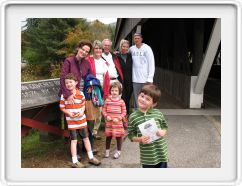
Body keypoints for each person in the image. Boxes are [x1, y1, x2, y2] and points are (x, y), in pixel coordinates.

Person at [59, 73, 101, 168]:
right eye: (67, 83)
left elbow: (83, 105)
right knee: (74, 140)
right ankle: (75, 160)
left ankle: (91, 157)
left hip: (82, 120)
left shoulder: (81, 94)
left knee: (86, 138)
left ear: (76, 83)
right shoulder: (63, 96)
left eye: (70, 82)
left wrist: (82, 112)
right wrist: (69, 113)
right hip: (72, 122)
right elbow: (62, 107)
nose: (69, 84)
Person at [128, 84, 168, 168]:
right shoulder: (133, 117)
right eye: (142, 96)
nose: (143, 100)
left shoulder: (158, 113)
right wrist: (140, 139)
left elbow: (165, 126)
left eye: (147, 99)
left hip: (161, 153)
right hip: (147, 157)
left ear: (153, 104)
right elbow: (131, 135)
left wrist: (163, 132)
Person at [129, 33, 155, 108]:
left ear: (141, 39)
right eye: (135, 38)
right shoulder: (131, 49)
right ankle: (137, 114)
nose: (136, 40)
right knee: (137, 98)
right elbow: (124, 54)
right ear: (133, 40)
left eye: (138, 38)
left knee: (146, 98)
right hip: (135, 79)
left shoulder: (147, 48)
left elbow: (151, 63)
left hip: (145, 80)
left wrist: (150, 78)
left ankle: (146, 114)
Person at [102, 82, 127, 159]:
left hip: (118, 123)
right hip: (109, 123)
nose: (114, 92)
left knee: (118, 137)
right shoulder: (107, 100)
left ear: (119, 92)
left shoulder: (121, 102)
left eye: (116, 91)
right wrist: (106, 116)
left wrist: (119, 118)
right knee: (108, 137)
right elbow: (103, 110)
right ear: (110, 91)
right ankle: (107, 151)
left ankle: (118, 151)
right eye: (112, 90)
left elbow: (124, 112)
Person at [117, 39, 133, 115]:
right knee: (123, 98)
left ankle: (126, 114)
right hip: (121, 81)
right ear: (121, 46)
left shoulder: (131, 56)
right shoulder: (117, 56)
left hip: (130, 81)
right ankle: (122, 115)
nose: (125, 48)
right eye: (124, 46)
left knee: (128, 99)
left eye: (127, 47)